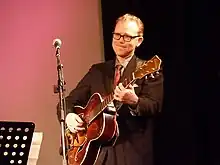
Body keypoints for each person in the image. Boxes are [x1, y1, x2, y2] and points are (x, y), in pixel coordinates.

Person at [57, 13, 163, 165]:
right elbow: (68, 101)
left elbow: (154, 105)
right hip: (98, 154)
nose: (120, 40)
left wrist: (134, 101)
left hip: (131, 152)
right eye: (117, 35)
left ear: (139, 41)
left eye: (126, 36)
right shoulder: (97, 71)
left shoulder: (147, 70)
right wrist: (69, 117)